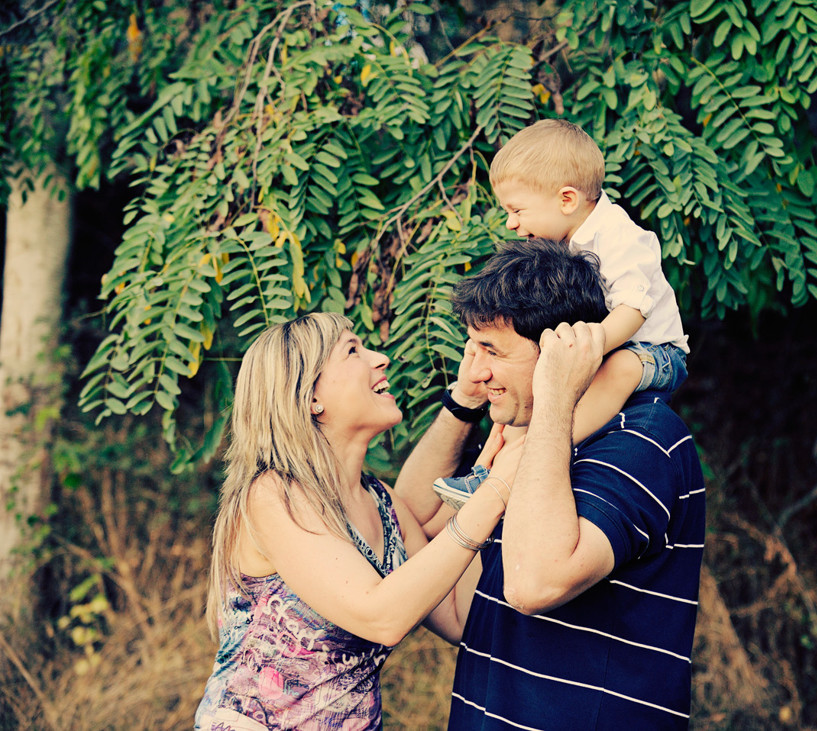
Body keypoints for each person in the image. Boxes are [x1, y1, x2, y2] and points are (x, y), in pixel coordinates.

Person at [395, 239, 706, 728]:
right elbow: (424, 549)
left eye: (491, 350)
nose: (475, 370)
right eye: (471, 346)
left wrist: (557, 395)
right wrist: (462, 402)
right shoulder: (527, 443)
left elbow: (533, 584)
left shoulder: (643, 441)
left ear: (559, 352)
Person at [194, 312, 514, 730]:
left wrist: (480, 426)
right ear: (310, 398)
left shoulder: (382, 503)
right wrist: (492, 496)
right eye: (352, 350)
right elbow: (381, 615)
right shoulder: (274, 494)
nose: (380, 358)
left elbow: (457, 615)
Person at [490, 118, 690, 439]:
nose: (511, 224)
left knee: (618, 369)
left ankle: (549, 448)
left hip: (656, 353)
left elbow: (633, 308)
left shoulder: (616, 234)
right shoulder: (560, 241)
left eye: (517, 210)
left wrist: (584, 350)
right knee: (523, 375)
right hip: (605, 348)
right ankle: (487, 466)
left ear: (566, 200)